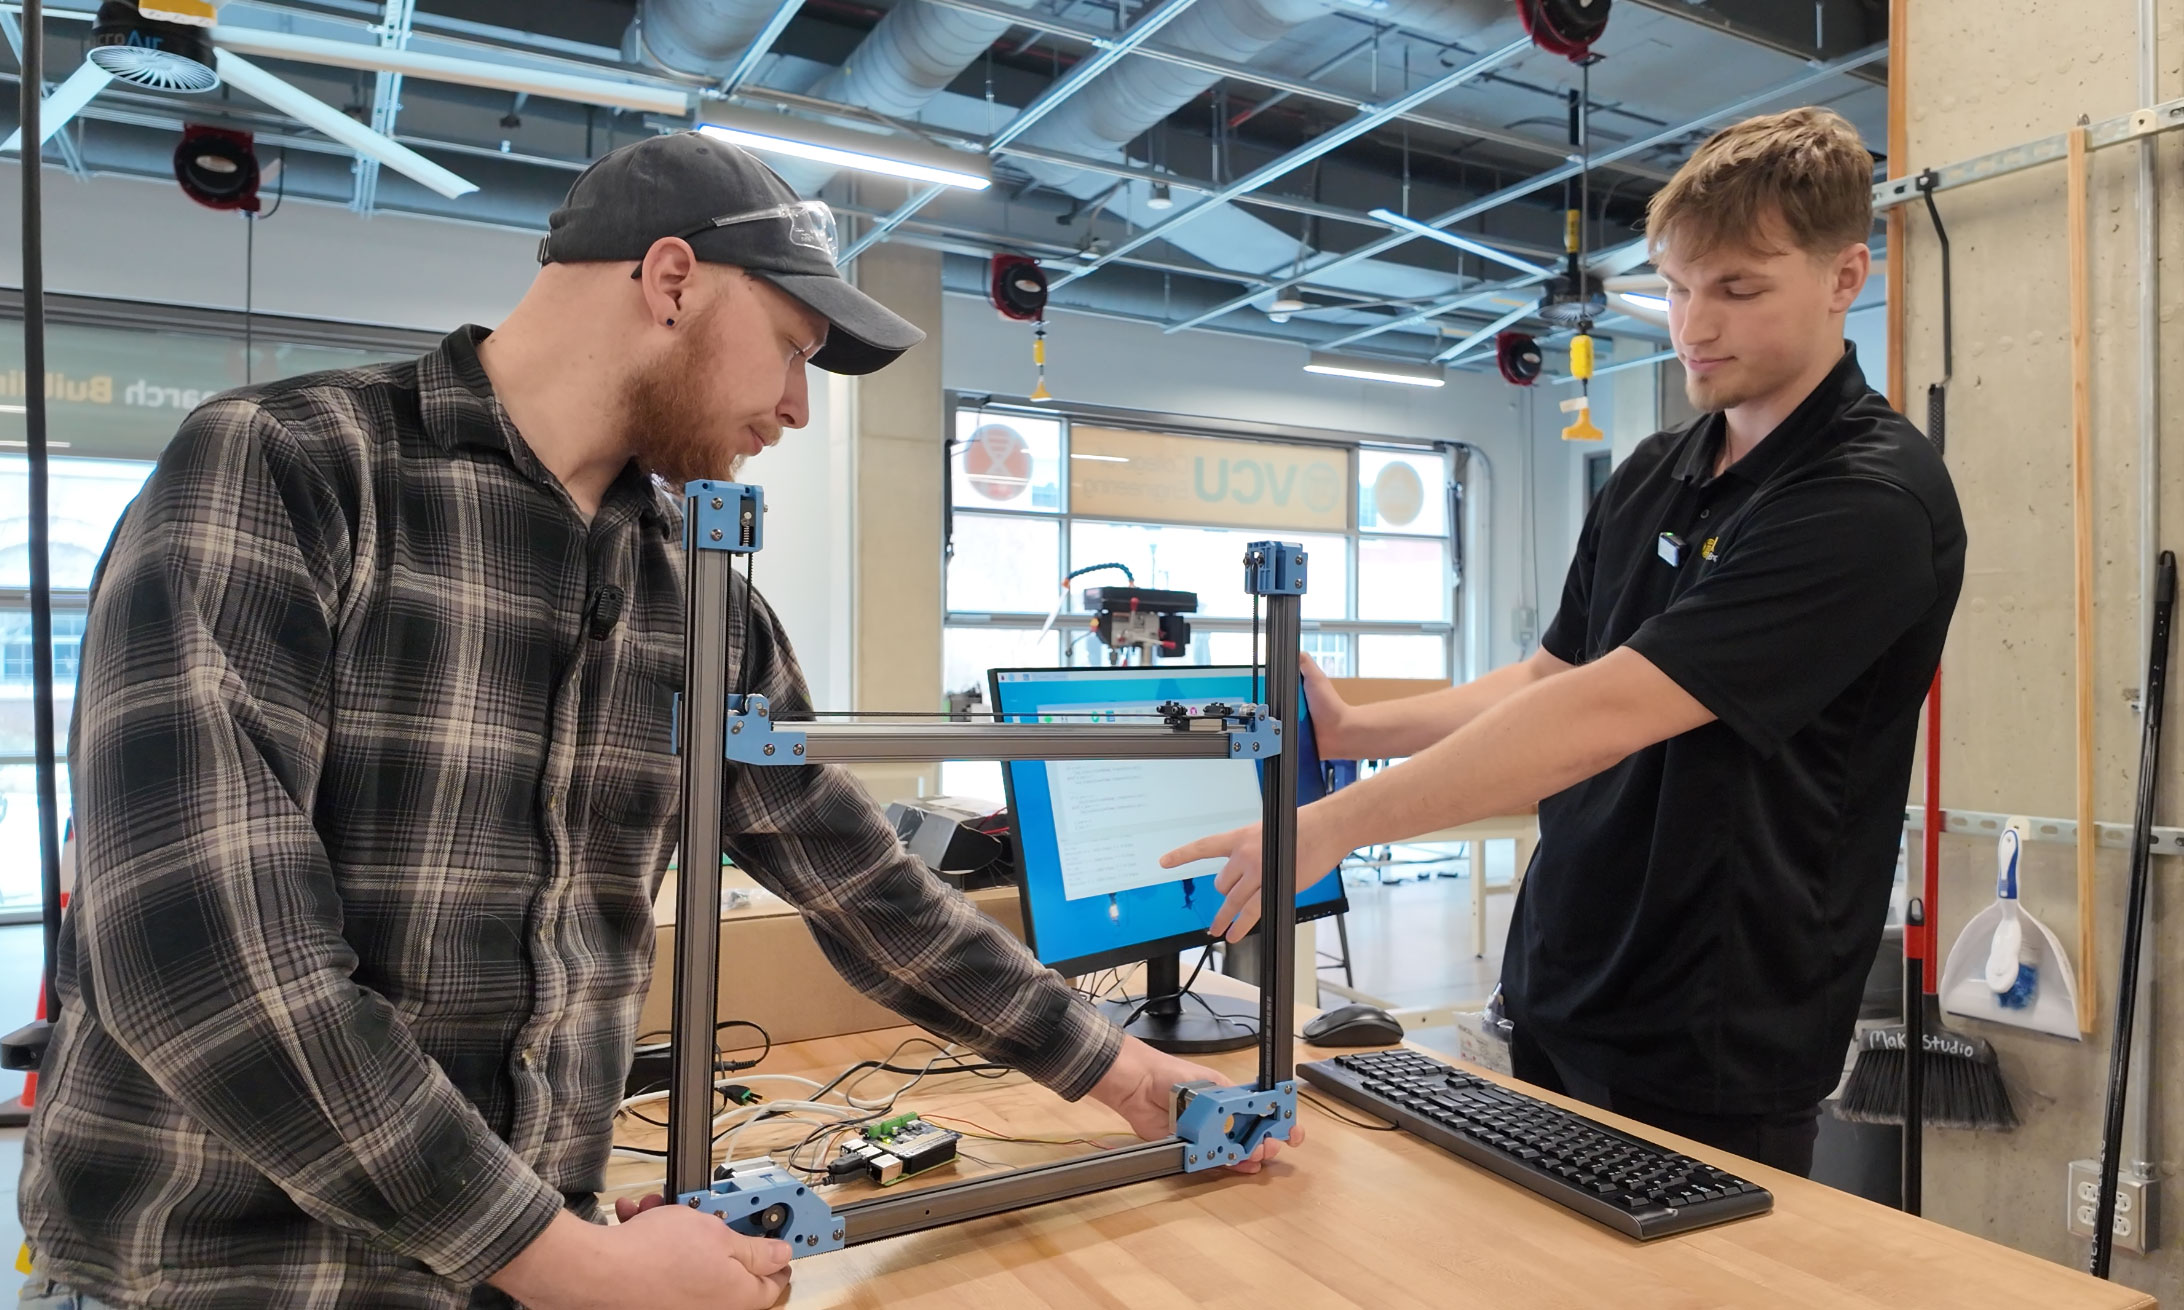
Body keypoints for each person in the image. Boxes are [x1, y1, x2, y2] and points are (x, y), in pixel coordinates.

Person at [19, 131, 1288, 1310]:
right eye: (791, 347)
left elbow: (865, 883)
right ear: (672, 280)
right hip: (227, 1272)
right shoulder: (289, 469)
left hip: (516, 1267)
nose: (798, 407)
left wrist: (1123, 1072)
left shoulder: (695, 586)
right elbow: (198, 948)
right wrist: (570, 1262)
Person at [1166, 106, 1965, 1177]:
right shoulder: (1655, 471)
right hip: (1562, 986)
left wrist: (1332, 824)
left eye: (1738, 289)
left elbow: (1606, 711)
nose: (1694, 325)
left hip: (1714, 1030)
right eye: (1676, 288)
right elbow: (1550, 675)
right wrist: (1357, 730)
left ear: (1843, 277)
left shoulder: (1866, 502)